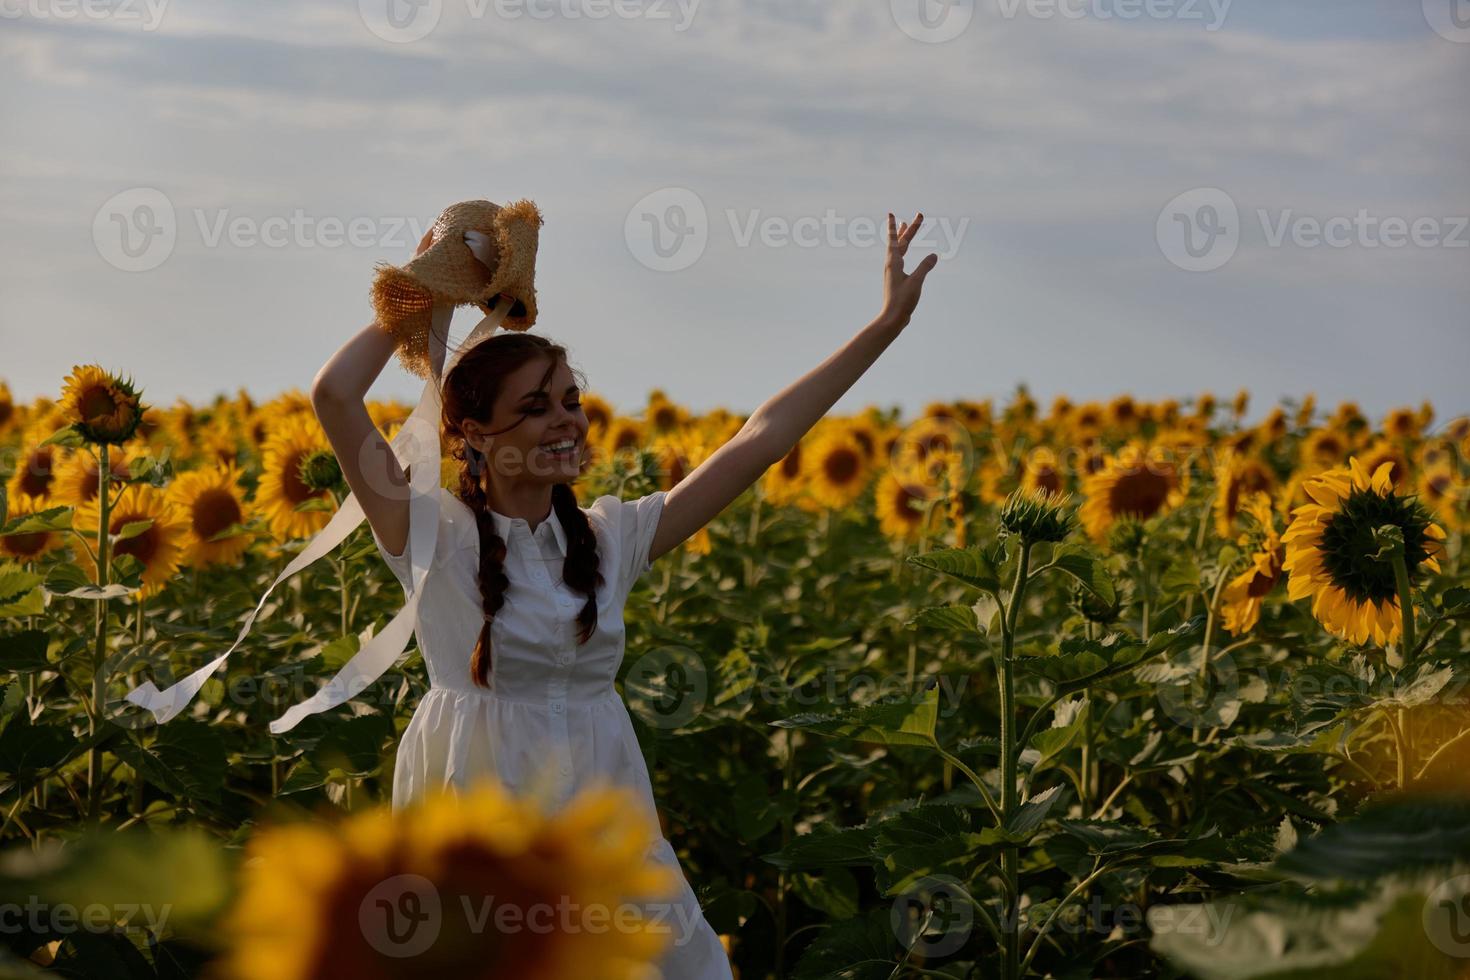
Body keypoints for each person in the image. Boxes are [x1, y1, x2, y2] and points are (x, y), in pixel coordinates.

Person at [308, 212, 939, 978]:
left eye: (570, 400)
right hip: (478, 832)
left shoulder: (610, 538)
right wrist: (422, 291)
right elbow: (336, 397)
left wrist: (886, 327)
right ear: (472, 432)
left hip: (610, 825)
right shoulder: (428, 533)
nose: (566, 421)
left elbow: (760, 439)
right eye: (534, 408)